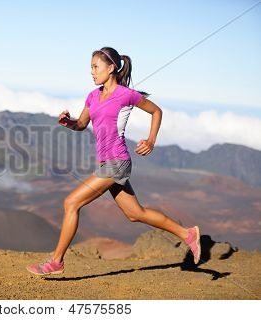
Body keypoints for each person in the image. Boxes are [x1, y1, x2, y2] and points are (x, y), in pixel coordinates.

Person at [26, 47, 201, 276]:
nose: (92, 72)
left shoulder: (126, 95)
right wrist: (68, 122)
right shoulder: (93, 96)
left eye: (95, 67)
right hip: (104, 164)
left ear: (111, 68)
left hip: (117, 162)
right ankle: (187, 234)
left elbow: (156, 111)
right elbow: (81, 125)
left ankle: (56, 261)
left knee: (71, 203)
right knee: (135, 214)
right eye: (90, 67)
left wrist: (150, 140)